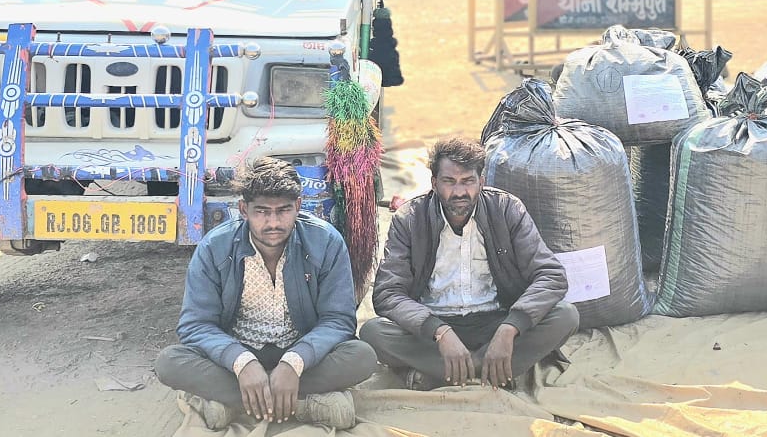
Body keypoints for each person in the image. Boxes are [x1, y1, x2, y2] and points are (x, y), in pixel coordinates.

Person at [155, 157, 376, 429]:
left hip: (301, 353)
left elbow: (338, 320)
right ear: (243, 210)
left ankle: (234, 403)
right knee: (169, 362)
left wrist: (294, 362)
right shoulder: (214, 247)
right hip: (235, 355)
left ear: (298, 206)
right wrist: (242, 362)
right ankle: (301, 405)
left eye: (283, 210)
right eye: (261, 211)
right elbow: (196, 325)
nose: (273, 222)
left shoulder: (326, 242)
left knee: (362, 356)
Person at [361, 136, 579, 391]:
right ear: (434, 183)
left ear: (481, 182)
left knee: (566, 316)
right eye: (449, 181)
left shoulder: (507, 209)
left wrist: (510, 328)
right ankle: (492, 370)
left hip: (496, 321)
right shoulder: (409, 219)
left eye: (467, 181)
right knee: (373, 333)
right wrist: (440, 331)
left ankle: (448, 373)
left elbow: (551, 275)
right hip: (433, 328)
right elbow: (388, 293)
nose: (459, 192)